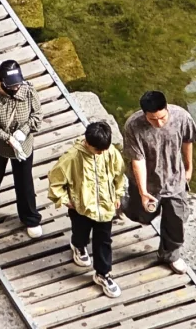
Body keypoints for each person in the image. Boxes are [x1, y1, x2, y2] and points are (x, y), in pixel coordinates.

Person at [123, 90, 196, 275]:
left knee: (176, 219)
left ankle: (170, 255)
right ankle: (124, 204)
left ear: (167, 109)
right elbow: (138, 160)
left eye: (162, 118)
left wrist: (189, 168)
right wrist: (143, 192)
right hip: (149, 182)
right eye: (153, 120)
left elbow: (187, 141)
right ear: (145, 115)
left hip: (175, 179)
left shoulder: (181, 117)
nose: (158, 123)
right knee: (143, 216)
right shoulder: (133, 126)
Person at [48, 121, 127, 299]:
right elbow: (55, 181)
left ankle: (103, 274)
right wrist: (66, 201)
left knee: (104, 241)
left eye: (104, 150)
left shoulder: (109, 152)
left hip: (105, 208)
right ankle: (78, 245)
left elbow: (119, 175)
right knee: (80, 232)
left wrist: (117, 195)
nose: (102, 153)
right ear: (88, 143)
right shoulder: (72, 158)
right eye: (98, 150)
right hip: (81, 208)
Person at [0, 60, 44, 239]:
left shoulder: (28, 91)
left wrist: (23, 131)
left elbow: (37, 115)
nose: (16, 88)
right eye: (11, 85)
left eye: (17, 84)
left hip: (23, 145)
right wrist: (6, 137)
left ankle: (30, 218)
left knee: (25, 182)